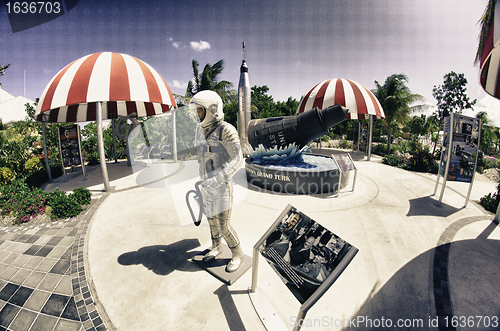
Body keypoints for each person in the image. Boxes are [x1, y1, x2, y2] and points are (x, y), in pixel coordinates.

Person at [190, 90, 244, 273]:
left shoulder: (226, 130)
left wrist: (219, 177)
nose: (196, 115)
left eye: (199, 110)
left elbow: (238, 158)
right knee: (211, 221)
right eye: (195, 111)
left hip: (222, 187)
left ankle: (237, 253)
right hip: (206, 185)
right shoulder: (200, 131)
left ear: (211, 109)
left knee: (223, 225)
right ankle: (216, 247)